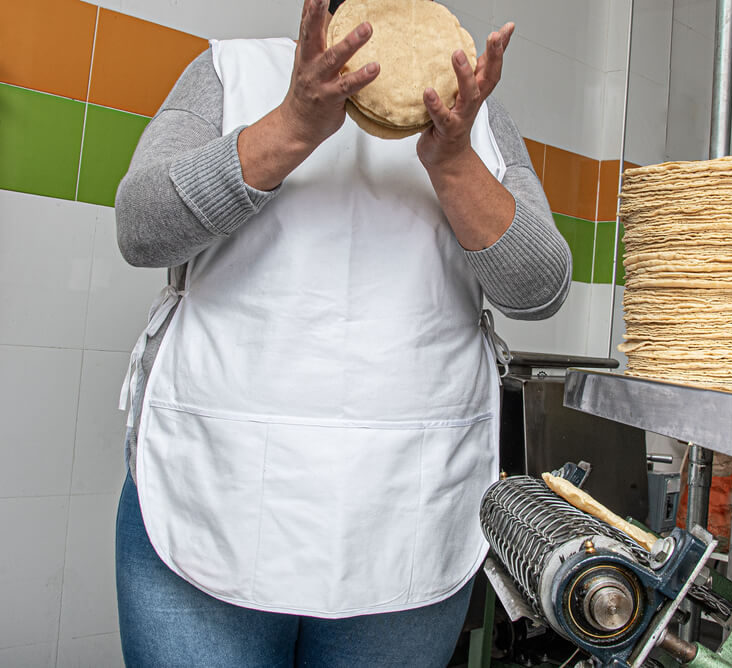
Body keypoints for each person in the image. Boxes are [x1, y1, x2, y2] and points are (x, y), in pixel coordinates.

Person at [113, 0, 571, 665]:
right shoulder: (228, 71)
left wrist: (452, 161)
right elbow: (141, 229)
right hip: (216, 488)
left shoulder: (474, 116)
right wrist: (294, 125)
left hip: (406, 510)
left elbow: (541, 290)